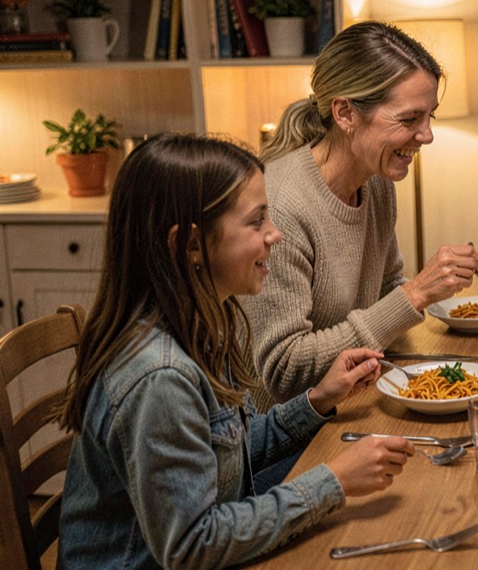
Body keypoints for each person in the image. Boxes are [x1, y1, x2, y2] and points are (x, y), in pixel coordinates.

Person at [57, 134, 415, 568]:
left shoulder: (205, 323)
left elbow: (231, 457)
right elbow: (192, 546)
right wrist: (334, 480)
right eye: (256, 221)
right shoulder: (159, 377)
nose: (275, 233)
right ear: (190, 244)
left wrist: (317, 400)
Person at [246, 21, 478, 405]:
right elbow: (284, 373)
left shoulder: (376, 182)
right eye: (409, 119)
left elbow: (386, 291)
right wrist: (416, 293)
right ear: (345, 114)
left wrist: (418, 298)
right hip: (292, 428)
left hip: (355, 398)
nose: (427, 135)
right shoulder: (283, 206)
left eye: (430, 117)